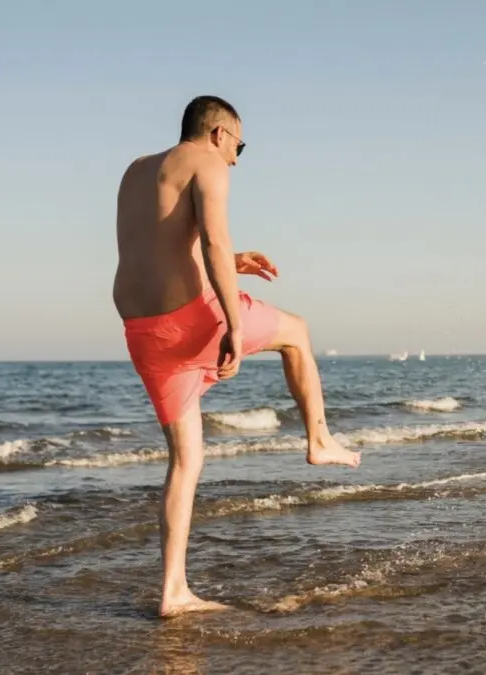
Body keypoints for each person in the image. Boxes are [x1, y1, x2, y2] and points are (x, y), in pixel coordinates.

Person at [112, 94, 361, 618]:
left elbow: (158, 247)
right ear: (219, 133)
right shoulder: (208, 162)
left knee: (186, 461)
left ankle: (173, 591)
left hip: (143, 333)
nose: (235, 159)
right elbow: (212, 242)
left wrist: (234, 259)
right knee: (297, 332)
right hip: (192, 319)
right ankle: (319, 439)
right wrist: (234, 322)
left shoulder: (136, 170)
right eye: (239, 147)